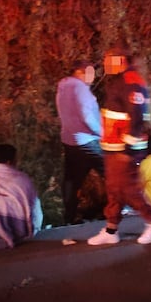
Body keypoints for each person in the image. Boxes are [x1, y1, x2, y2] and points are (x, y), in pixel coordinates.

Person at [87, 42, 151, 246]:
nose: (104, 64)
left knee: (127, 188)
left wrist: (128, 146)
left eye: (108, 60)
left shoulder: (131, 81)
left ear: (120, 60)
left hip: (125, 147)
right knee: (114, 188)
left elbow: (138, 114)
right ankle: (111, 229)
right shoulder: (118, 81)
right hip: (113, 145)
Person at [56, 58, 105, 225]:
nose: (93, 77)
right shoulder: (80, 89)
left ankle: (69, 217)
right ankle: (123, 205)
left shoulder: (62, 88)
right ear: (80, 72)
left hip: (70, 141)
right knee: (111, 171)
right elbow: (87, 117)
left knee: (71, 180)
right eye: (91, 73)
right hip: (88, 141)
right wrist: (102, 133)